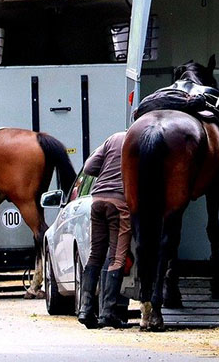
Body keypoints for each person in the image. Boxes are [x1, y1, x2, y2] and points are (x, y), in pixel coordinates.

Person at [78, 131, 131, 328]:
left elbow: (89, 167)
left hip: (97, 199)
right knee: (117, 256)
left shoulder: (113, 138)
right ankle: (108, 312)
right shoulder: (137, 139)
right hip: (119, 202)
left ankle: (85, 309)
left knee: (95, 254)